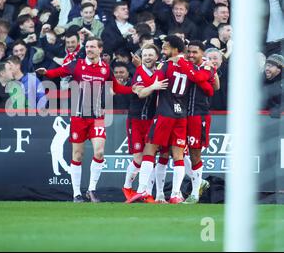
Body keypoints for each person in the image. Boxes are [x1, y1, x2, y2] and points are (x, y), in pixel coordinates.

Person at [36, 37, 133, 202]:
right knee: (78, 155)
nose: (89, 49)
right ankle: (76, 194)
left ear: (100, 49)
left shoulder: (105, 69)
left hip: (97, 117)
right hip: (78, 116)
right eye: (87, 46)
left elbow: (116, 88)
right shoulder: (77, 64)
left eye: (93, 47)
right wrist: (47, 73)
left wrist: (133, 89)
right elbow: (59, 72)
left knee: (100, 151)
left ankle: (91, 190)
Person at [129, 36, 215, 204]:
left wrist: (141, 77)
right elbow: (207, 86)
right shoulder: (192, 67)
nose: (163, 50)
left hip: (164, 114)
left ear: (175, 49)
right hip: (181, 116)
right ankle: (175, 194)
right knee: (178, 156)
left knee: (150, 151)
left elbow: (153, 84)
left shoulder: (165, 65)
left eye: (166, 48)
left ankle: (142, 190)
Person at [120, 45, 168, 203]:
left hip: (152, 120)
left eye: (150, 55)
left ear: (156, 57)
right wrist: (153, 86)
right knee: (139, 158)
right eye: (145, 55)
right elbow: (140, 93)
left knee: (150, 157)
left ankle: (146, 192)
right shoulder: (139, 73)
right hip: (136, 119)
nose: (147, 57)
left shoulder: (159, 72)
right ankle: (127, 187)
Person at [182, 41, 219, 204]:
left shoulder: (207, 67)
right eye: (189, 52)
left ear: (202, 53)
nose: (191, 55)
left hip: (199, 115)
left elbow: (203, 81)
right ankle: (200, 181)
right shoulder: (187, 66)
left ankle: (195, 193)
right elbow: (213, 87)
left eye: (195, 52)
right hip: (181, 115)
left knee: (195, 153)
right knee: (176, 151)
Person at [263, 54, 283, 118]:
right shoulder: (260, 81)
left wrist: (279, 109)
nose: (267, 68)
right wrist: (272, 107)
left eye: (270, 66)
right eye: (266, 66)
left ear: (279, 70)